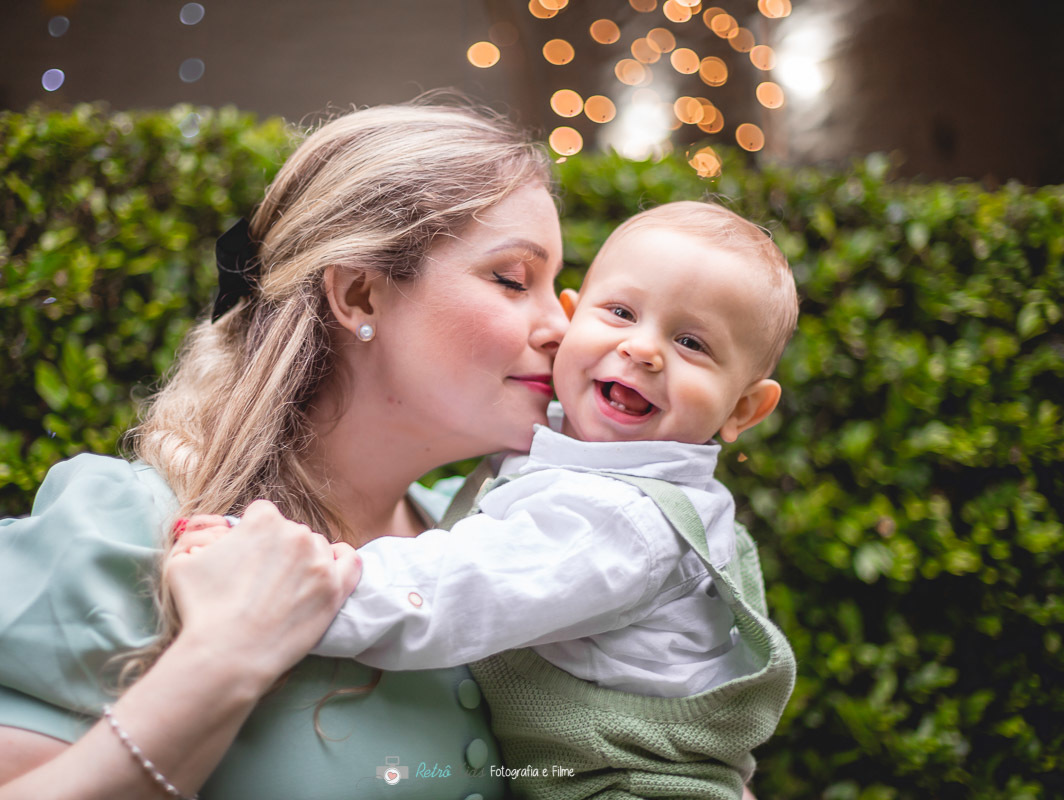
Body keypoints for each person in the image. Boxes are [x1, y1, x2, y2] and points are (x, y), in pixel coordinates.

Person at [0, 100, 571, 800]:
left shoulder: (498, 543)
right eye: (512, 279)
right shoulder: (128, 527)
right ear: (359, 294)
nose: (564, 325)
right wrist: (223, 658)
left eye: (560, 287)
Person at [180, 201, 801, 799]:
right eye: (619, 312)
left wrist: (290, 581)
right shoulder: (580, 459)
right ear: (573, 318)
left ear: (745, 408)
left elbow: (458, 589)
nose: (643, 348)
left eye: (693, 344)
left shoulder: (624, 518)